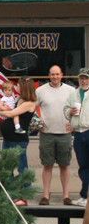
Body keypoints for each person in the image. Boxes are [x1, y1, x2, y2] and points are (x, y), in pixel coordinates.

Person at [35, 65, 75, 205]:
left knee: (65, 165)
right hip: (47, 134)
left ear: (62, 75)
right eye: (52, 74)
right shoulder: (40, 91)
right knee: (47, 165)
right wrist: (38, 123)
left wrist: (74, 124)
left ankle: (66, 196)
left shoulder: (71, 91)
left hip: (65, 133)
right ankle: (46, 195)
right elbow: (32, 108)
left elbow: (76, 109)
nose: (55, 77)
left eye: (57, 74)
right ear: (49, 75)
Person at [0, 77, 37, 206]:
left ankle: (24, 196)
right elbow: (8, 109)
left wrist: (1, 111)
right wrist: (3, 109)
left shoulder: (30, 103)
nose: (16, 87)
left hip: (19, 140)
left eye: (18, 85)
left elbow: (11, 113)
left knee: (21, 168)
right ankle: (11, 195)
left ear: (25, 87)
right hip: (8, 139)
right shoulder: (18, 99)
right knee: (6, 167)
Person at [64, 67, 89, 207]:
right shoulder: (74, 93)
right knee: (83, 166)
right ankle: (85, 196)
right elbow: (65, 109)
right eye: (82, 78)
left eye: (86, 78)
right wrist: (70, 112)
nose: (84, 80)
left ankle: (85, 195)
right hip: (78, 133)